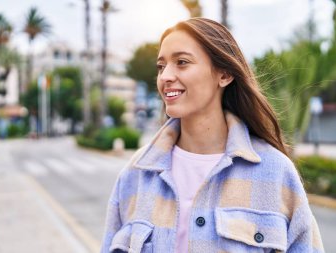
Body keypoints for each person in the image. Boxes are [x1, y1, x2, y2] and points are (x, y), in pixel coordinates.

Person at [101, 18, 324, 253]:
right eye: (161, 66)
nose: (165, 76)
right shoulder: (135, 175)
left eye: (182, 62)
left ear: (225, 74)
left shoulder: (276, 173)